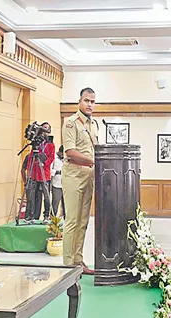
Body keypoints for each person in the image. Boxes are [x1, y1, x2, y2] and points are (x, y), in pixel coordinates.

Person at [62, 88, 98, 274]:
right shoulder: (70, 123)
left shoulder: (95, 124)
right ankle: (68, 264)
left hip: (89, 176)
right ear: (79, 102)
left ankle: (78, 261)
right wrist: (94, 160)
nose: (90, 104)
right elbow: (70, 152)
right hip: (74, 176)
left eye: (92, 101)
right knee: (72, 221)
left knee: (83, 221)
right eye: (86, 100)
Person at [25, 123, 55, 221]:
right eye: (43, 129)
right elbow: (31, 156)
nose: (44, 131)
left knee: (46, 195)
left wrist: (45, 163)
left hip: (45, 173)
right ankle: (33, 215)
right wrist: (29, 169)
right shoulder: (37, 142)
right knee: (34, 195)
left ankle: (46, 215)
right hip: (35, 173)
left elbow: (52, 157)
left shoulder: (50, 144)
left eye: (46, 129)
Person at [51, 145, 65, 217]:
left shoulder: (66, 159)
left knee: (66, 205)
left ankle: (66, 221)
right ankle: (52, 220)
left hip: (66, 184)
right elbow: (49, 170)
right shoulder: (53, 158)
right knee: (55, 203)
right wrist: (57, 172)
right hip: (56, 184)